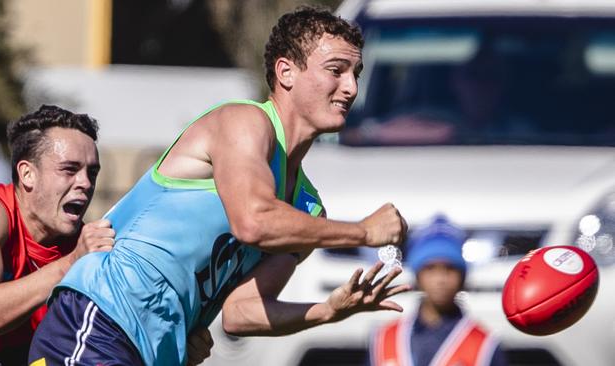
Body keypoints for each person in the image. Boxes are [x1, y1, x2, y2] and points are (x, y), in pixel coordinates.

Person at [28, 5, 410, 366]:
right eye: (336, 70)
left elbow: (241, 313)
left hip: (151, 351)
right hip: (100, 321)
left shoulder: (308, 211)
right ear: (286, 72)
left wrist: (327, 310)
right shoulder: (244, 123)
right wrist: (362, 232)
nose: (351, 88)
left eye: (356, 74)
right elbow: (253, 222)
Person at [0, 105, 114, 365]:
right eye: (69, 169)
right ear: (27, 174)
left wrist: (181, 347)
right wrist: (70, 264)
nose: (86, 183)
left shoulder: (86, 249)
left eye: (92, 172)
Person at [370, 215, 507, 366]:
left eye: (450, 269)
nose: (440, 279)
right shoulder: (384, 338)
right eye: (430, 269)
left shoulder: (485, 345)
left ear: (462, 277)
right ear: (417, 275)